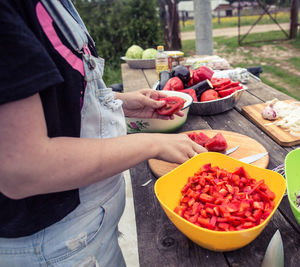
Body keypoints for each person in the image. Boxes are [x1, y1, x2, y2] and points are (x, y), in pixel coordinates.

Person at [0, 0, 206, 266]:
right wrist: (153, 143)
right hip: (53, 247)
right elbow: (23, 168)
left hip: (87, 234)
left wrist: (118, 100)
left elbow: (55, 97)